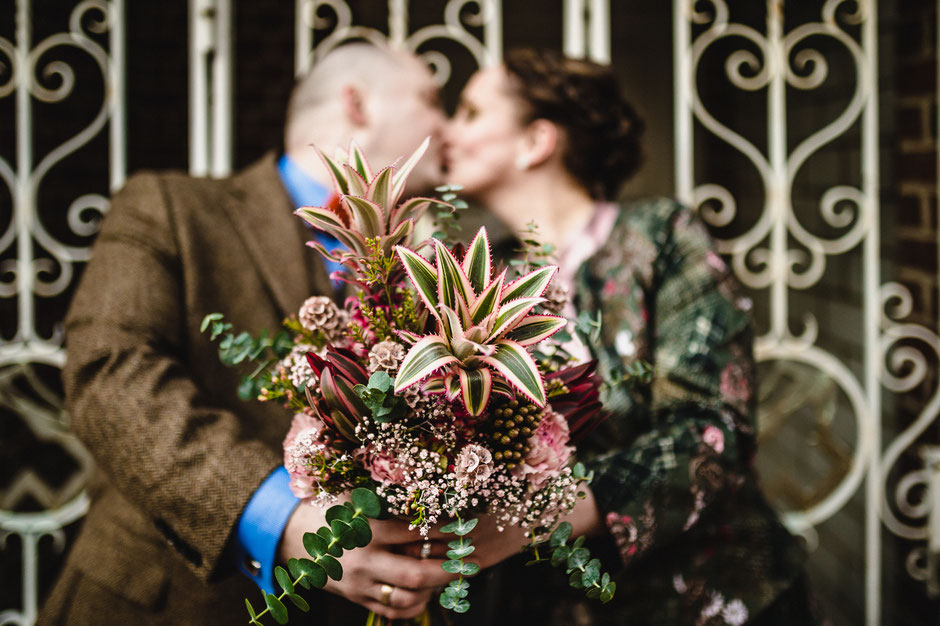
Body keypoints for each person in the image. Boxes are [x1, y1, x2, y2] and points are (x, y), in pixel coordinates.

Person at [39, 42, 452, 624]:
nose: (448, 124)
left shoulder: (433, 271)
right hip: (162, 604)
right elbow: (109, 374)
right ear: (357, 103)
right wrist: (283, 520)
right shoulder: (170, 208)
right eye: (432, 100)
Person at [437, 48, 819, 624]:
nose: (447, 131)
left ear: (535, 141)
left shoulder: (661, 238)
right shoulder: (477, 281)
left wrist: (533, 516)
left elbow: (712, 431)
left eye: (468, 112)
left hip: (711, 598)